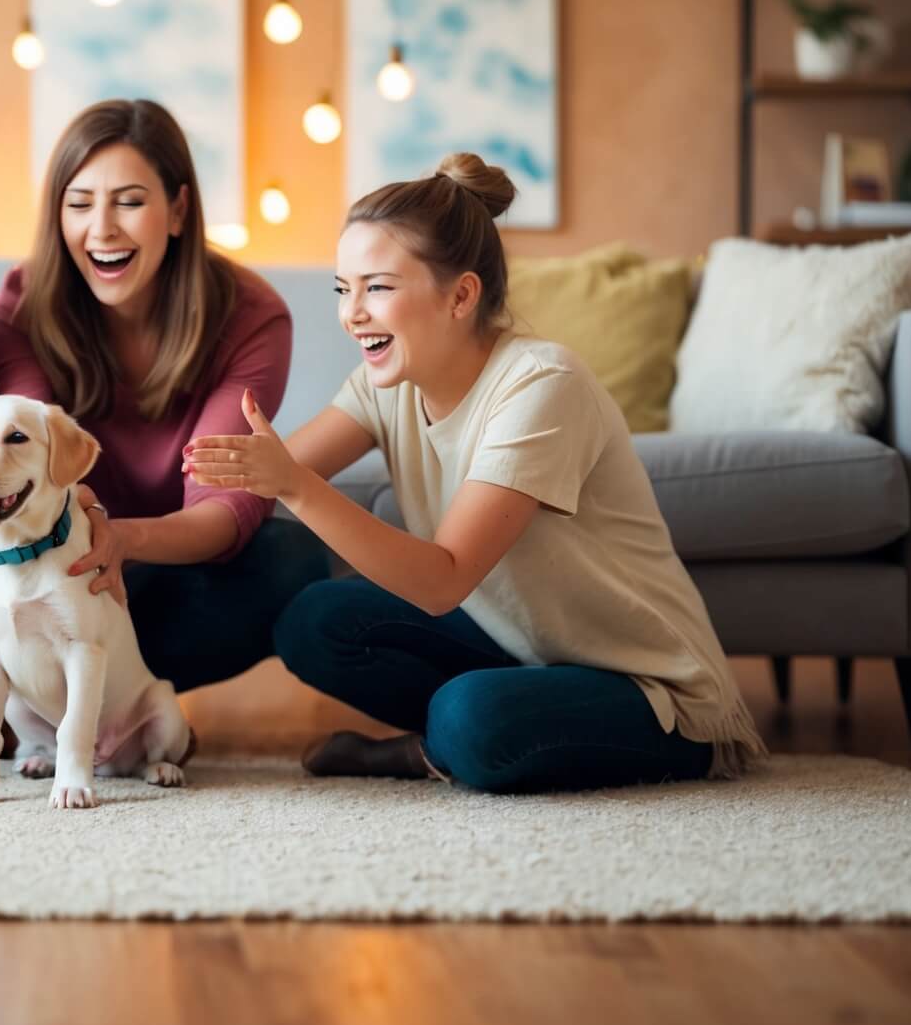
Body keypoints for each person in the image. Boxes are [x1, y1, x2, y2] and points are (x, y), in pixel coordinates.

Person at [186, 153, 766, 794]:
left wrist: (293, 484)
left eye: (376, 287)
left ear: (461, 295)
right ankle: (449, 742)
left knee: (473, 718)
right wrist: (126, 509)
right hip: (516, 643)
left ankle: (438, 746)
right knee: (313, 620)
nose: (352, 313)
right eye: (342, 289)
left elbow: (442, 581)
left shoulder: (541, 386)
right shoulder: (388, 382)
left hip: (652, 689)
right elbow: (256, 475)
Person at [0, 99, 328, 691]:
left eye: (130, 201)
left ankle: (125, 704)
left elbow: (222, 507)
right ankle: (56, 703)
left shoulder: (251, 316)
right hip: (54, 566)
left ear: (177, 210)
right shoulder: (24, 302)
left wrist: (123, 538)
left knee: (290, 556)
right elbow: (22, 463)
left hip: (163, 571)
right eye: (80, 203)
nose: (103, 229)